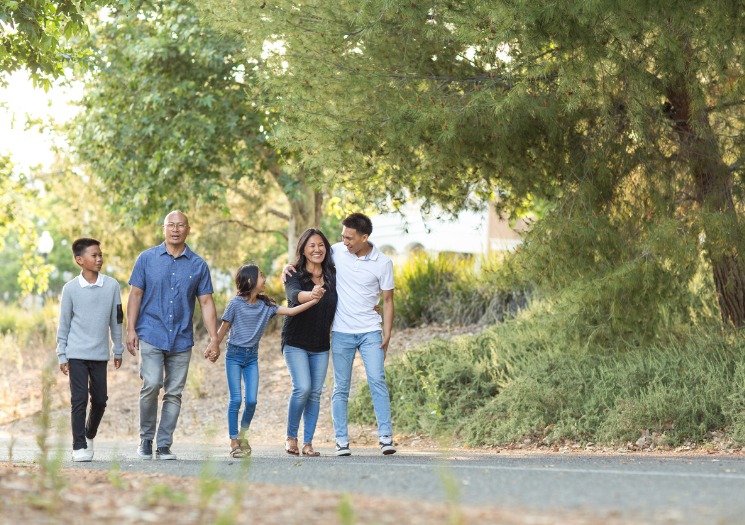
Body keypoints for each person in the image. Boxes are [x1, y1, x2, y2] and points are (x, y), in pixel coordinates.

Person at [284, 213, 396, 456]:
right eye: (342, 236)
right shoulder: (335, 251)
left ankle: (386, 437)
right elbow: (308, 254)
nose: (344, 241)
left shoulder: (383, 263)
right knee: (340, 387)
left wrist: (387, 334)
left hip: (370, 331)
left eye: (349, 237)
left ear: (364, 237)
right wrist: (287, 265)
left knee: (377, 380)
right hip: (342, 332)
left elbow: (388, 300)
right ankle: (341, 441)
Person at [204, 264, 324, 459]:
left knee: (251, 401)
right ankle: (234, 441)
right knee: (236, 399)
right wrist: (213, 346)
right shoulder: (235, 304)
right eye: (261, 276)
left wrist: (313, 300)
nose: (265, 279)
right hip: (233, 356)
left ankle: (243, 436)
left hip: (251, 358)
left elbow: (291, 312)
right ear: (250, 281)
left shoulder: (266, 306)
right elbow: (222, 330)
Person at [126, 210, 218, 460]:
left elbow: (206, 302)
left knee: (174, 392)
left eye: (181, 225)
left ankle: (164, 444)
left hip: (181, 337)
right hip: (151, 332)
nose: (175, 229)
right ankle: (145, 439)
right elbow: (135, 295)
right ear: (163, 229)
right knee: (152, 384)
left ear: (188, 229)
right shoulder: (146, 259)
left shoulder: (198, 265)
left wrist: (214, 338)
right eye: (171, 225)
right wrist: (130, 328)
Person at [56, 237, 124, 462]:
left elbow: (116, 320)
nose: (99, 259)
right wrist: (62, 353)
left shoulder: (112, 286)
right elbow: (64, 323)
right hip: (76, 354)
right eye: (94, 255)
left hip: (99, 354)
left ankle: (89, 433)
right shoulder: (70, 289)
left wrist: (118, 349)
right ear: (79, 260)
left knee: (101, 400)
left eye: (100, 255)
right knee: (79, 399)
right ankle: (78, 446)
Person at [281, 229, 338, 457]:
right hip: (295, 340)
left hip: (321, 343)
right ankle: (291, 437)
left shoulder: (333, 274)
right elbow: (295, 295)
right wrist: (312, 294)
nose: (317, 249)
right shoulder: (294, 274)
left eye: (321, 245)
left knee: (315, 393)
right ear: (303, 249)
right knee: (302, 387)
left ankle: (308, 443)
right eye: (312, 246)